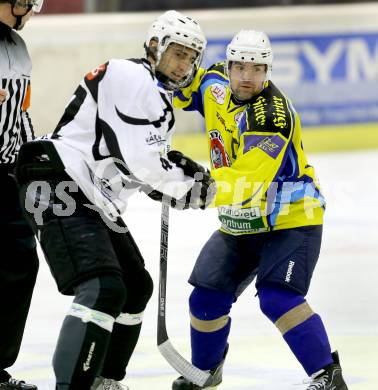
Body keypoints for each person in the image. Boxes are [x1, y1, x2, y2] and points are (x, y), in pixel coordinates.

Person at [15, 10, 215, 390]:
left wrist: (172, 181)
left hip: (89, 191)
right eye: (177, 53)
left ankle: (104, 380)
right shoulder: (129, 75)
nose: (183, 63)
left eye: (191, 57)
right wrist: (183, 184)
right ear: (155, 46)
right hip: (57, 177)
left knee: (135, 287)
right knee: (103, 287)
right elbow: (141, 159)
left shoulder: (154, 97)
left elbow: (136, 166)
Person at [172, 30, 348, 390]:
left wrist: (195, 190)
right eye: (240, 67)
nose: (247, 76)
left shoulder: (272, 117)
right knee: (205, 297)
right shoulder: (216, 80)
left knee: (277, 297)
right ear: (230, 64)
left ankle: (327, 376)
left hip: (291, 218)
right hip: (242, 222)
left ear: (268, 70)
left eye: (257, 68)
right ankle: (205, 372)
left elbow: (247, 181)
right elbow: (186, 92)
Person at [0, 1, 44, 389]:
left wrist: (39, 154)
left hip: (5, 177)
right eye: (28, 4)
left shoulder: (16, 46)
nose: (32, 10)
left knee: (19, 262)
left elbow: (20, 115)